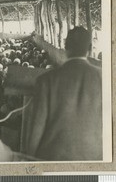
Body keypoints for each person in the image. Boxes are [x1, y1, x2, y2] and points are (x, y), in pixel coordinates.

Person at [22, 27, 102, 161]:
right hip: (93, 158)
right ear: (89, 48)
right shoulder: (104, 78)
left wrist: (30, 160)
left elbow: (36, 128)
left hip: (53, 158)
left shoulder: (46, 80)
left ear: (65, 46)